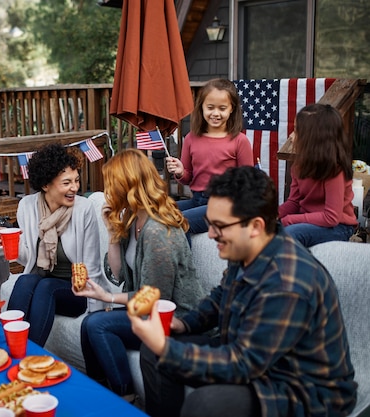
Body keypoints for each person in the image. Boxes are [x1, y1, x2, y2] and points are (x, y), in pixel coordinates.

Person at [130, 166, 357, 417]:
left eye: (219, 226)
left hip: (302, 389)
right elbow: (221, 297)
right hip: (254, 357)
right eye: (209, 223)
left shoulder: (287, 282)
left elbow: (242, 364)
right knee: (152, 354)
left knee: (206, 403)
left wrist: (167, 348)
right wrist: (183, 325)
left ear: (255, 226)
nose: (212, 234)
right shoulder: (246, 249)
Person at [74, 149, 205, 399]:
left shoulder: (158, 232)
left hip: (178, 319)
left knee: (97, 324)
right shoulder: (135, 218)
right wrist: (113, 234)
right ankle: (99, 394)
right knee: (89, 326)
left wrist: (109, 298)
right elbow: (118, 274)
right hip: (147, 312)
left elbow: (153, 298)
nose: (108, 193)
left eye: (111, 185)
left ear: (129, 185)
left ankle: (125, 398)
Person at [0, 143, 111, 347]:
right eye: (66, 183)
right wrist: (8, 242)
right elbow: (27, 258)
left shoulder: (83, 210)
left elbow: (91, 267)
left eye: (76, 181)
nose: (74, 188)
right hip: (42, 282)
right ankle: (7, 347)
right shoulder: (28, 206)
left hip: (76, 291)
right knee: (25, 281)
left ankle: (28, 357)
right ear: (46, 185)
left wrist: (96, 313)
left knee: (46, 286)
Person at [165, 78, 253, 238]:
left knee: (180, 221)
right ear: (202, 107)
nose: (215, 113)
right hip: (197, 200)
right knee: (157, 212)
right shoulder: (191, 138)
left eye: (222, 108)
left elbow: (248, 183)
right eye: (210, 107)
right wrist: (180, 172)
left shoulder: (240, 141)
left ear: (232, 109)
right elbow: (188, 178)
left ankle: (184, 264)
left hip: (225, 205)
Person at [278, 103, 357, 247]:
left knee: (290, 233)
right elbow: (294, 202)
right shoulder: (298, 166)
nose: (290, 136)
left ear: (312, 139)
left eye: (296, 131)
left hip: (338, 227)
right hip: (307, 221)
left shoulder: (335, 170)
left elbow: (331, 217)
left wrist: (289, 220)